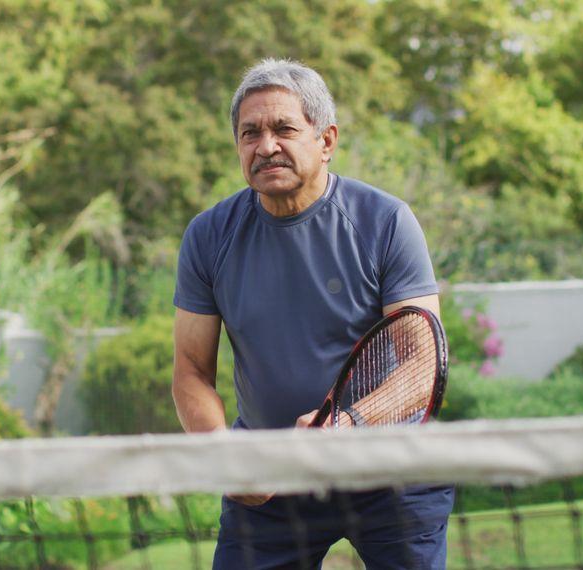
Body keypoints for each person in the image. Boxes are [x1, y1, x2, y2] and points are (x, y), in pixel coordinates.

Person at [172, 58, 454, 569]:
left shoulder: (387, 221)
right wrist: (224, 456)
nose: (266, 146)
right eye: (249, 133)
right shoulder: (208, 236)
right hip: (271, 480)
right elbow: (191, 371)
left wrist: (346, 424)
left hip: (391, 475)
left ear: (326, 141)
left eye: (284, 128)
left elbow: (422, 364)